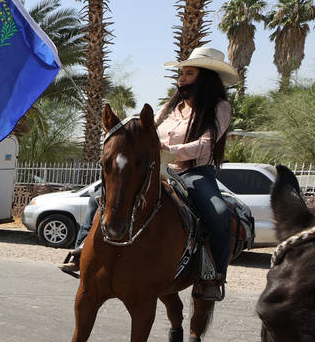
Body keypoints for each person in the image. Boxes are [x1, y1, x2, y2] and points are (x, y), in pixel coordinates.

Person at [59, 46, 238, 300]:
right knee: (99, 196)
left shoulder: (219, 107)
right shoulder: (167, 108)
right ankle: (80, 250)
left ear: (206, 77)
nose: (182, 79)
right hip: (160, 170)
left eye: (188, 74)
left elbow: (207, 143)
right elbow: (145, 133)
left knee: (219, 213)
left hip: (194, 172)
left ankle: (213, 277)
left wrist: (169, 149)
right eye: (181, 74)